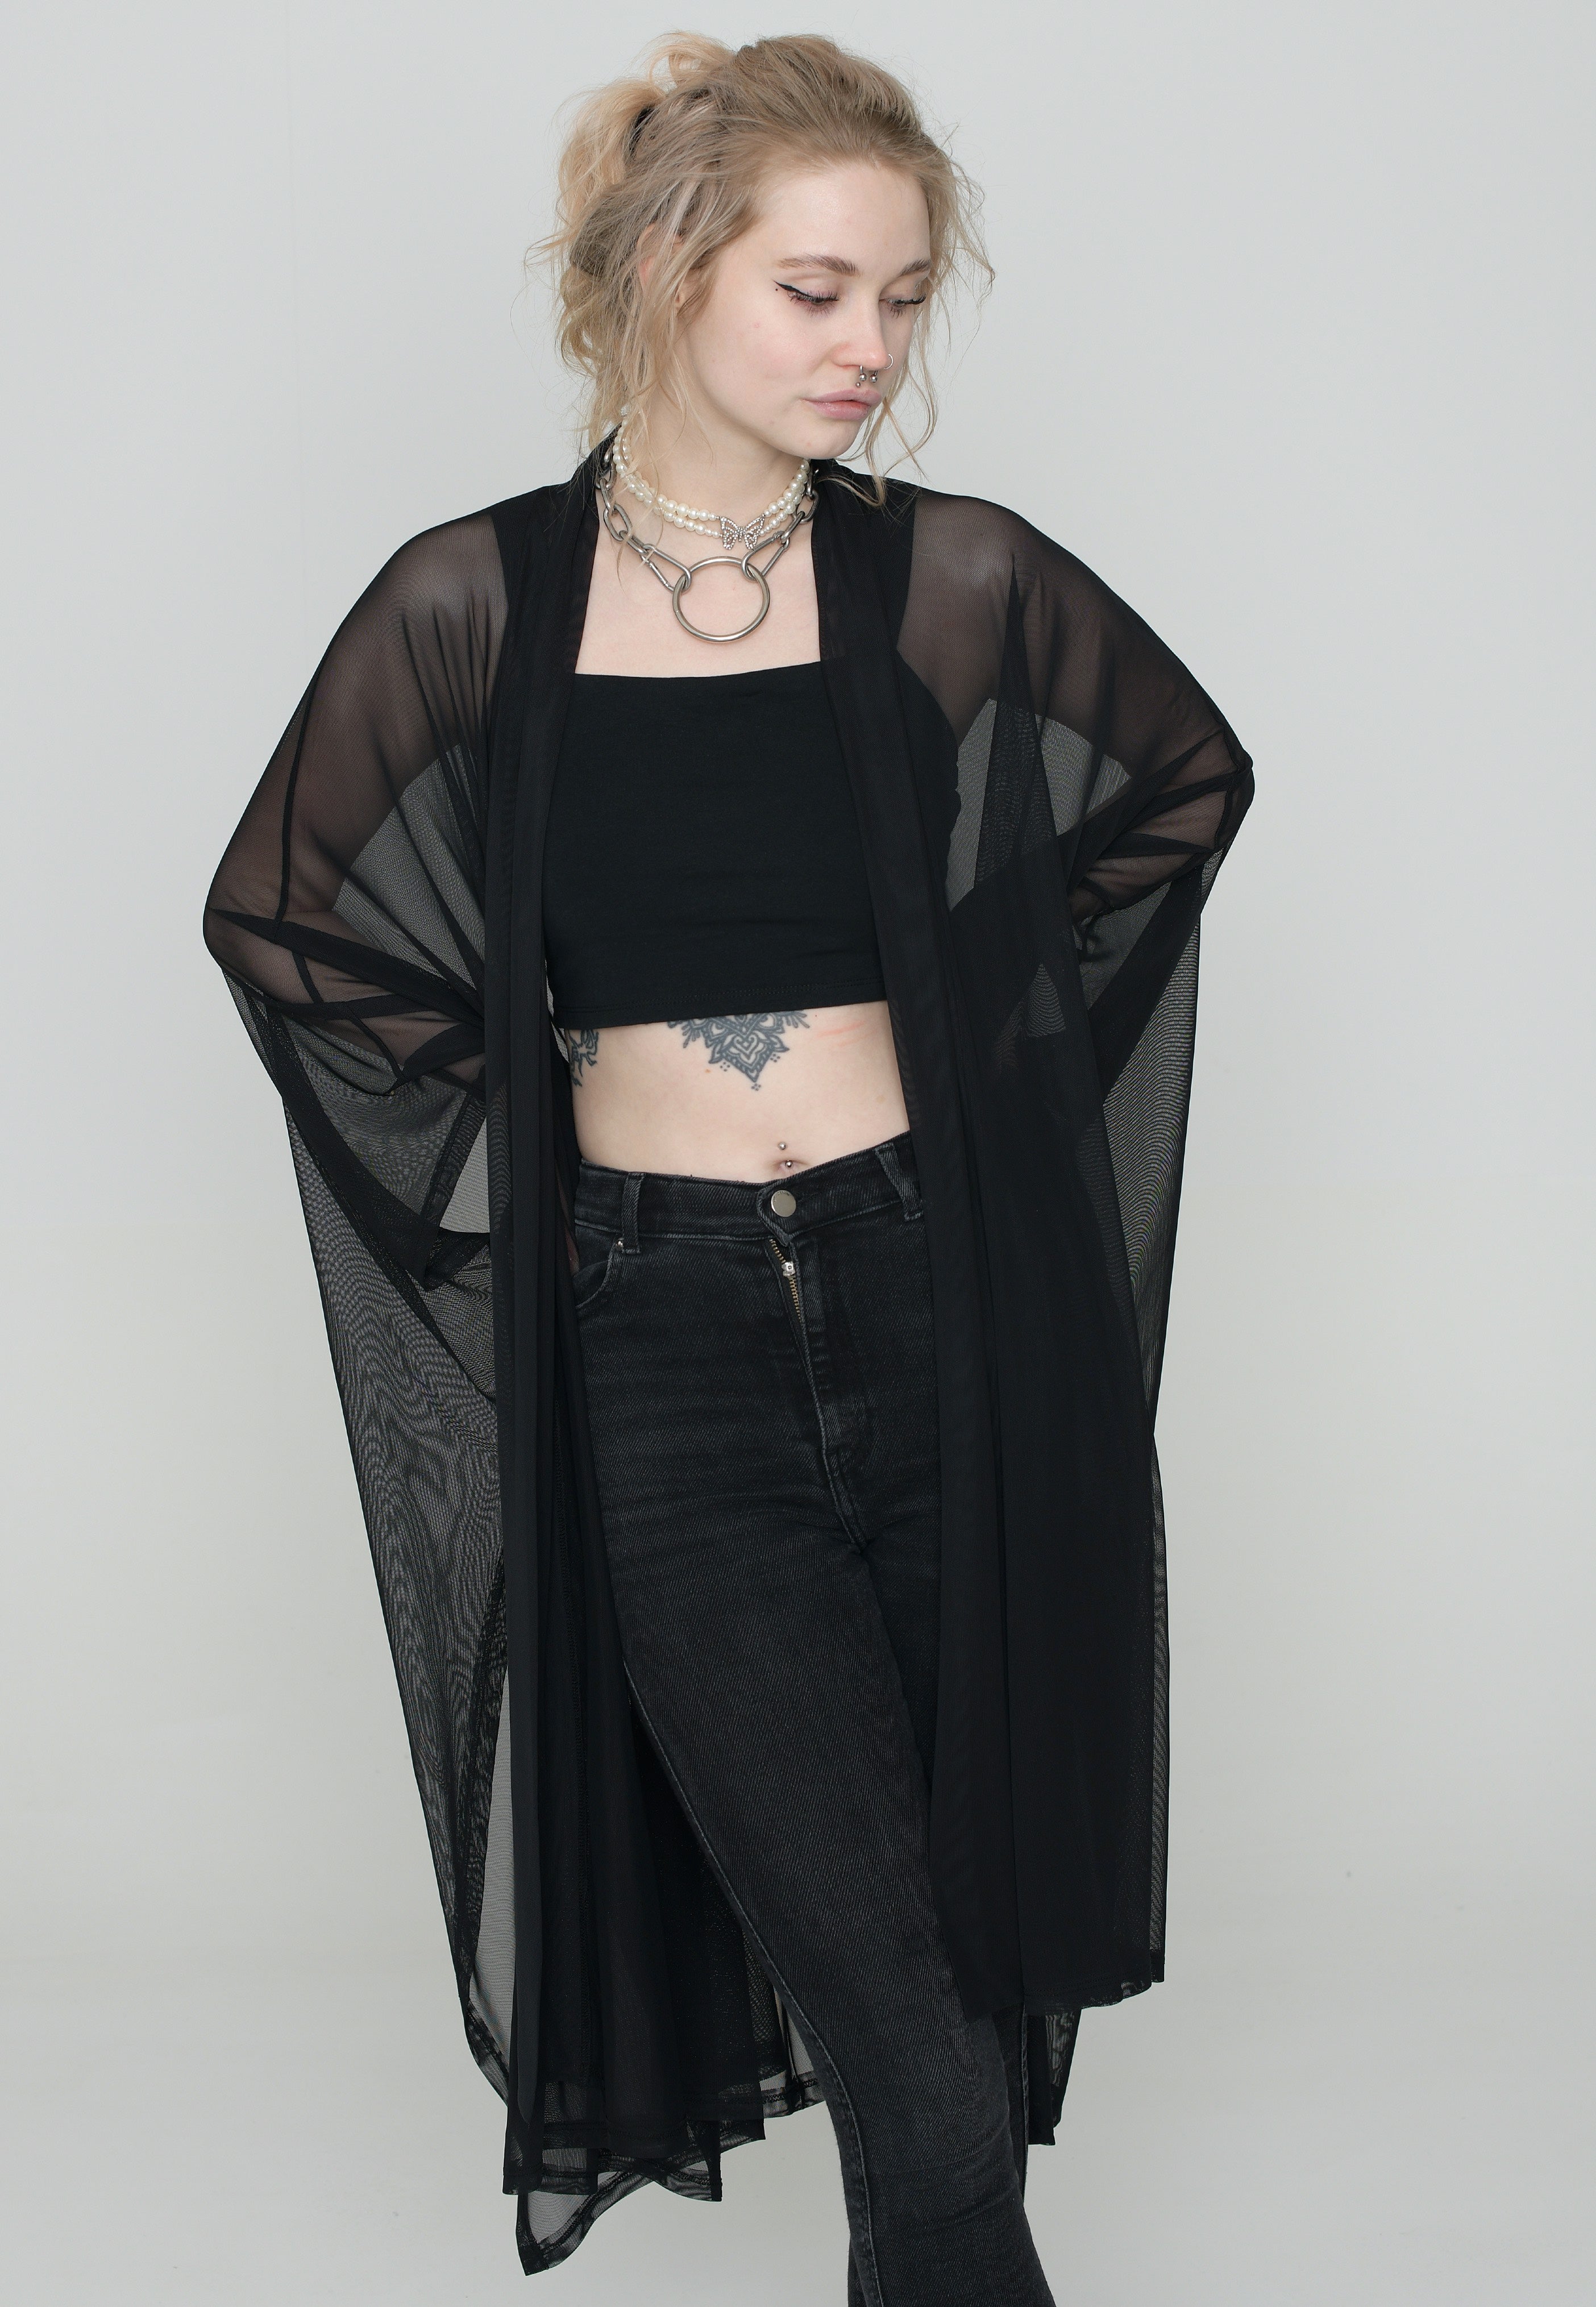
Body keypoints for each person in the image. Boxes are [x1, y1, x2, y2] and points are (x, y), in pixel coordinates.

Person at [202, 31, 1254, 2303]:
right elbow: (287, 920)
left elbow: (1180, 783)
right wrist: (540, 1116)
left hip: (943, 1299)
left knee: (953, 1965)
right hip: (661, 1336)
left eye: (904, 297)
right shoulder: (476, 605)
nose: (871, 344)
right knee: (882, 1972)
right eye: (817, 290)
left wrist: (971, 1047)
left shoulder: (950, 579)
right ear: (672, 268)